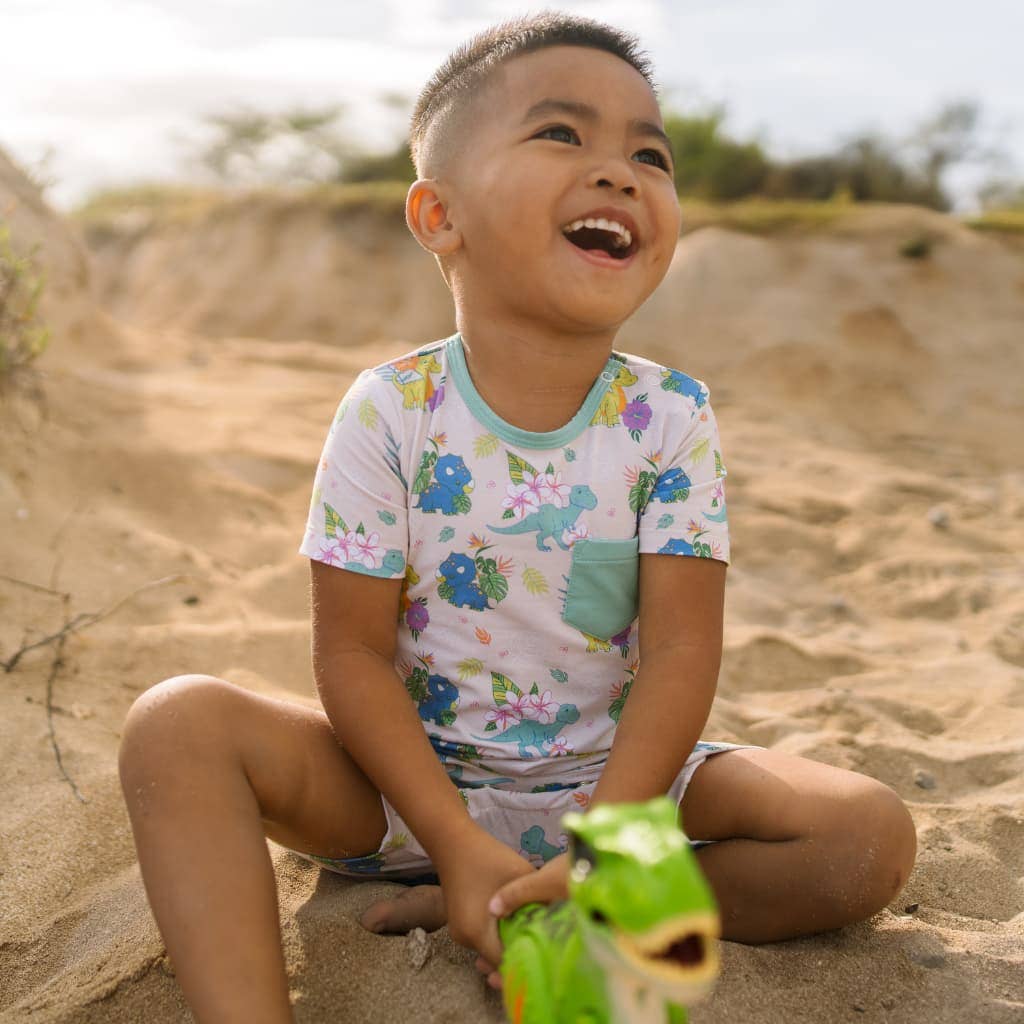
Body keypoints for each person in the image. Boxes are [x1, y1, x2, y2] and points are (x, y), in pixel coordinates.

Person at [117, 12, 917, 1023]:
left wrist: (606, 846)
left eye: (650, 154)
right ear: (438, 215)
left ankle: (572, 904)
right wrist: (453, 842)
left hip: (612, 781)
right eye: (561, 134)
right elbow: (351, 656)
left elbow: (680, 652)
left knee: (865, 834)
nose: (619, 171)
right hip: (405, 792)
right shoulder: (390, 409)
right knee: (176, 723)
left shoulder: (670, 416)